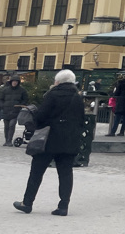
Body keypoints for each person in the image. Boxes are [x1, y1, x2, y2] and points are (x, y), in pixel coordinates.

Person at [12, 70, 84, 216]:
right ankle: (63, 206)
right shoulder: (77, 97)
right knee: (65, 173)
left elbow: (41, 116)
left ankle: (27, 203)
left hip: (48, 140)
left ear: (58, 82)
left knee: (36, 172)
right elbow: (82, 119)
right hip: (69, 140)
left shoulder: (53, 95)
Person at [0, 77, 29, 146]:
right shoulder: (5, 90)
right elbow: (1, 99)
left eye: (16, 81)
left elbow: (25, 99)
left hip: (16, 111)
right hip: (6, 110)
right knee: (6, 126)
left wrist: (20, 105)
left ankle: (9, 140)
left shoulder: (22, 90)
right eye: (13, 81)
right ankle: (6, 140)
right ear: (11, 82)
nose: (14, 83)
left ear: (18, 82)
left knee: (12, 125)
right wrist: (2, 105)